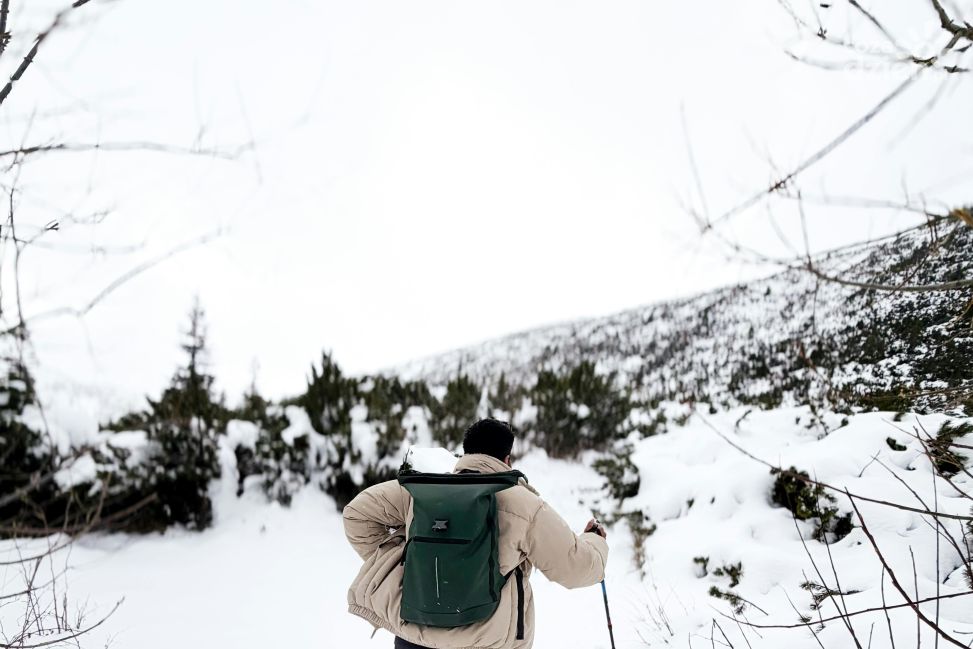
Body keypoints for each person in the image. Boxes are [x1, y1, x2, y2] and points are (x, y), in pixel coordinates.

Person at [343, 418, 609, 649]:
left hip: (413, 639)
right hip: (487, 642)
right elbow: (576, 567)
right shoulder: (523, 504)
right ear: (506, 459)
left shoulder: (424, 491)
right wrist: (595, 540)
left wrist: (408, 562)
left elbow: (357, 515)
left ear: (466, 452)